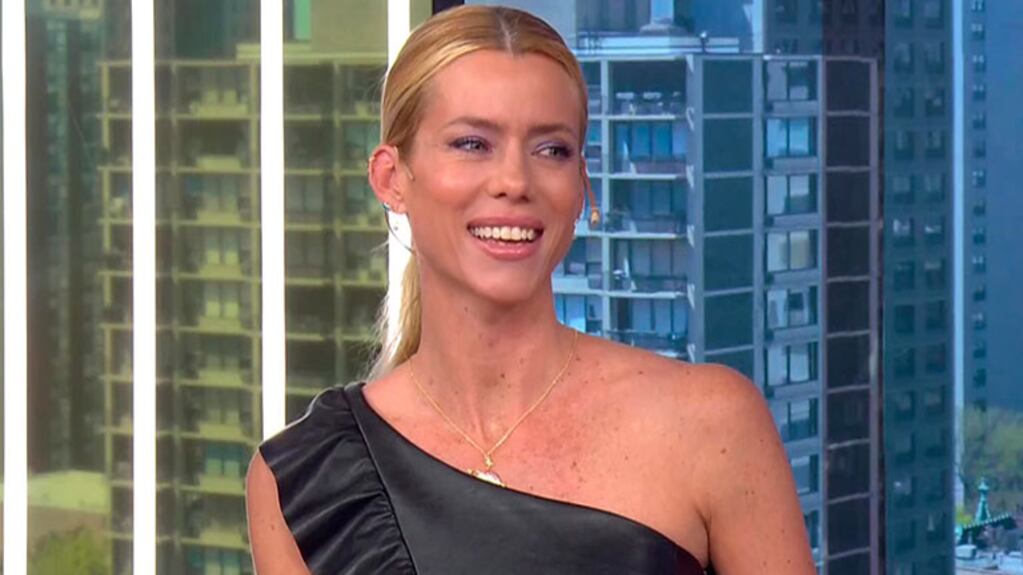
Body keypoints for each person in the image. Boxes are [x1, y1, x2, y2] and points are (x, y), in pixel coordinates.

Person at [246, 5, 815, 574]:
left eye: (551, 150)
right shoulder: (305, 480)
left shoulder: (711, 425)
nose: (515, 182)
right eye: (473, 144)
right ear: (391, 178)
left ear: (581, 188)